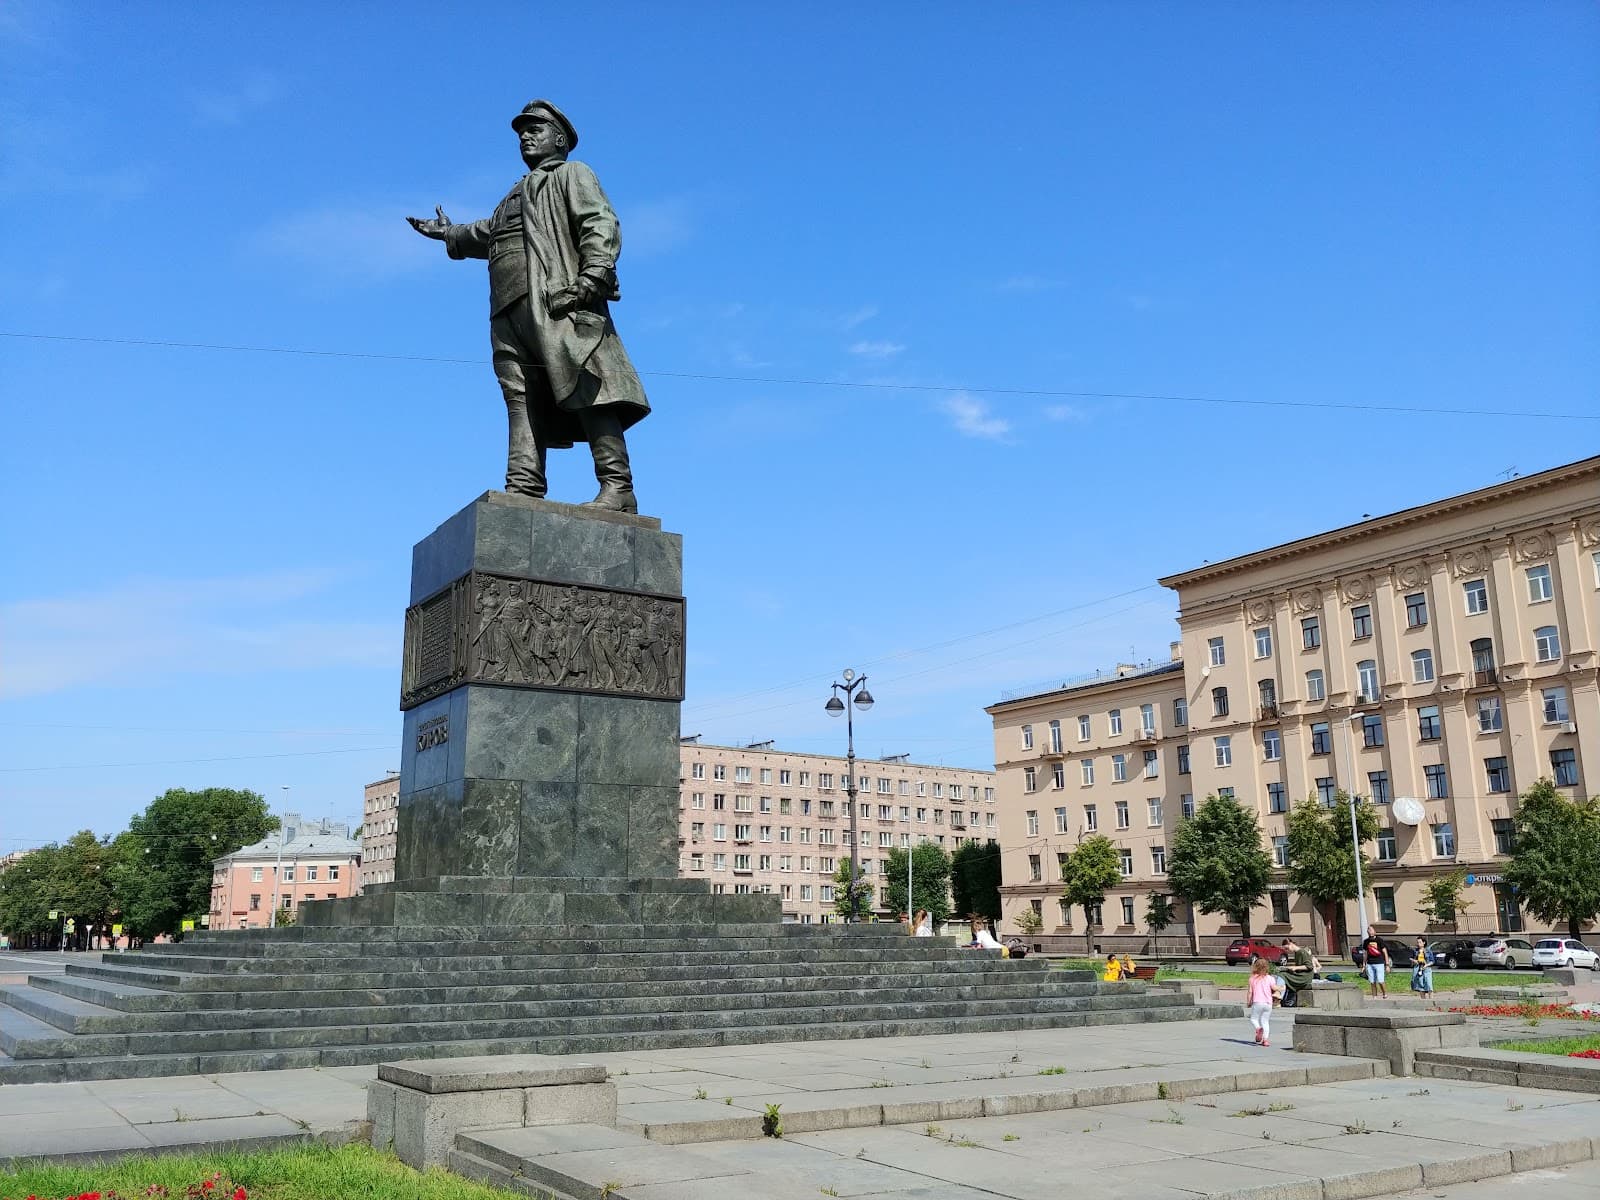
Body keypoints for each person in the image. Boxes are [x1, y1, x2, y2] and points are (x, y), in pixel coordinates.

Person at [408, 100, 650, 512]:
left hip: (557, 302)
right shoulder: (515, 193)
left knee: (590, 383)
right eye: (522, 130)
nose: (525, 135)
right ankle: (523, 485)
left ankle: (618, 486)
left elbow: (599, 221)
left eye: (535, 129)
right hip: (509, 310)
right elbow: (488, 233)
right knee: (519, 396)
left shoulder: (573, 174)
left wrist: (594, 272)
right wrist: (450, 234)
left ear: (559, 139)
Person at [1278, 937, 1318, 1008]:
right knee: (1282, 973)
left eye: (1287, 948)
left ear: (1290, 944)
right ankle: (1281, 997)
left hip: (1305, 976)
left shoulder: (1302, 952)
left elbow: (1309, 966)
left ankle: (1278, 997)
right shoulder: (1297, 953)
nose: (1287, 951)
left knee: (1283, 975)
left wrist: (1295, 968)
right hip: (1300, 974)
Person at [1246, 958, 1276, 1047]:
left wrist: (1248, 1002)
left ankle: (1258, 1029)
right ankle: (1265, 1040)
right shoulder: (1270, 978)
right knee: (1265, 1021)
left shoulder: (1252, 979)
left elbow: (1250, 992)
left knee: (1253, 1019)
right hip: (1268, 1003)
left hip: (1257, 1002)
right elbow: (1274, 989)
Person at [1360, 926, 1390, 999]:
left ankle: (1384, 993)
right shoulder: (1366, 941)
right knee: (1372, 981)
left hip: (1379, 963)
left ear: (1374, 931)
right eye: (1368, 930)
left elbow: (1385, 952)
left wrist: (1387, 965)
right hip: (1370, 963)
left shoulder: (1379, 940)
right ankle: (1374, 996)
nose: (1369, 931)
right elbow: (1365, 953)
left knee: (1380, 980)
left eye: (1370, 930)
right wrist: (1364, 965)